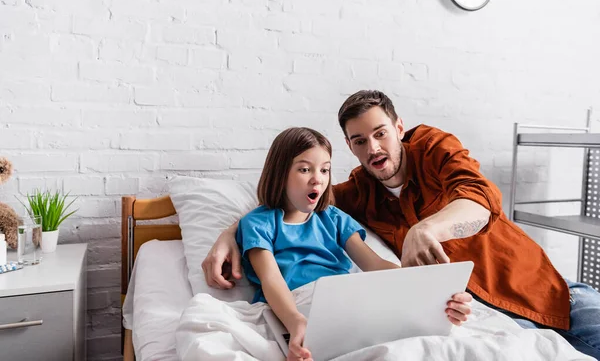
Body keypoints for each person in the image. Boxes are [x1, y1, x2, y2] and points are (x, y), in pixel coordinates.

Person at [203, 90, 600, 359]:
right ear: (350, 146)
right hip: (462, 307)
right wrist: (230, 232)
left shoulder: (433, 148)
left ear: (399, 128)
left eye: (380, 134)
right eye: (359, 141)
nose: (373, 148)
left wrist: (425, 230)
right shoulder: (355, 193)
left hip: (535, 290)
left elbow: (480, 197)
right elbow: (293, 202)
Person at [236, 126, 473, 361]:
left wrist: (429, 291)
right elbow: (271, 281)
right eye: (305, 169)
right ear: (280, 173)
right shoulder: (258, 223)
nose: (317, 179)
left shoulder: (334, 218)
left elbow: (375, 265)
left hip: (345, 301)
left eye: (325, 170)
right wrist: (295, 321)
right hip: (294, 305)